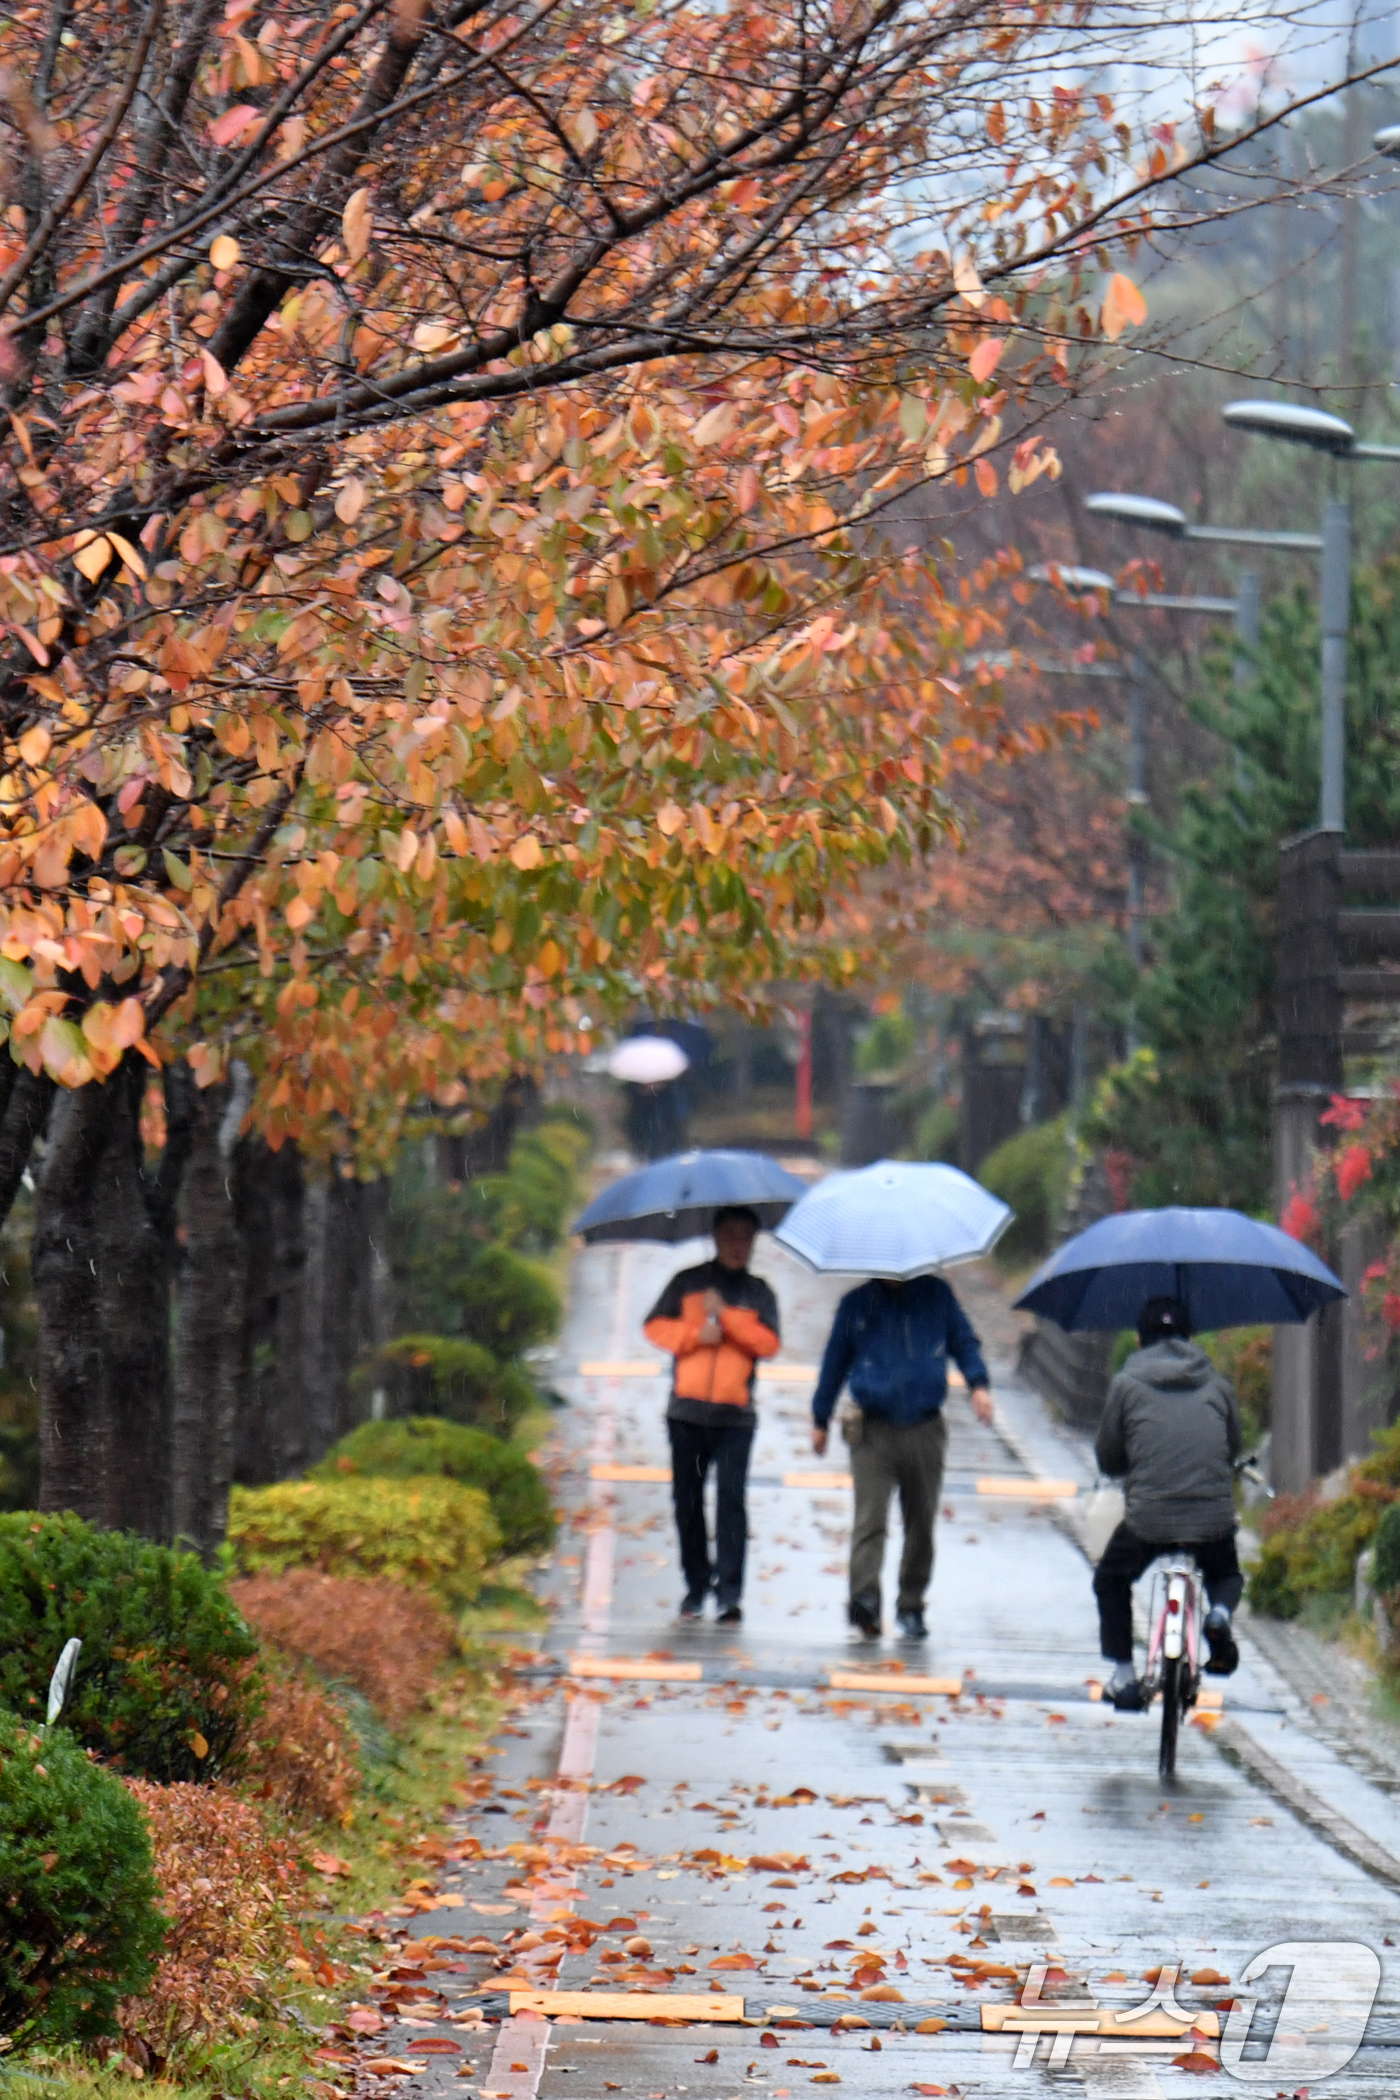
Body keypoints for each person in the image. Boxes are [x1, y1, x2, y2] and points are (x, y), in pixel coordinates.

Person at [810, 1272, 993, 1642]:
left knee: (921, 1520)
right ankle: (864, 1599)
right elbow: (835, 1359)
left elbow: (963, 1340)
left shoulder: (937, 1295)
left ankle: (911, 1603)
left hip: (924, 1424)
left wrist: (978, 1383)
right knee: (869, 1517)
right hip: (872, 1426)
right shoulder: (856, 1304)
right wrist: (820, 1415)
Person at [1093, 1295, 1243, 1711]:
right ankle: (1220, 1617)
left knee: (1111, 1578)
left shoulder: (1125, 1384)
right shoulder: (1217, 1384)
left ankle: (1124, 1676)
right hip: (1210, 1517)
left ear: (1139, 1341)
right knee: (1225, 1572)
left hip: (1149, 1520)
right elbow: (1232, 1448)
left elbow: (1108, 1456)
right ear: (1192, 1338)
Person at [643, 1206, 780, 1624]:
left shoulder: (758, 1292)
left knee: (731, 1504)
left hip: (734, 1417)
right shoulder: (688, 1283)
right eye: (731, 1235)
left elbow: (768, 1343)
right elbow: (654, 1327)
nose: (739, 1245)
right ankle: (697, 1584)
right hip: (686, 1413)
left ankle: (730, 1592)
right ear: (717, 1237)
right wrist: (694, 1335)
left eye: (746, 1237)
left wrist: (726, 1316)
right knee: (687, 1503)